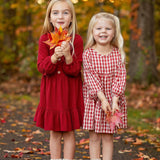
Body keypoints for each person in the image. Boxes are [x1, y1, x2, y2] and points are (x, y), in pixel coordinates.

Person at [34, 0, 84, 159]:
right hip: (52, 92)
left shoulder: (77, 40)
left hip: (70, 92)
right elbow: (42, 67)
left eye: (65, 12)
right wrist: (54, 57)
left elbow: (76, 71)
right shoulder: (44, 39)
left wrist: (68, 56)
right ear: (49, 17)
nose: (60, 16)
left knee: (69, 131)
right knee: (55, 132)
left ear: (71, 17)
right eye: (55, 13)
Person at [82, 12, 127, 160]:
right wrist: (102, 99)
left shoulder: (117, 53)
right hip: (95, 100)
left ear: (114, 32)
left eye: (108, 29)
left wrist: (114, 100)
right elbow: (90, 78)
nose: (103, 32)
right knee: (94, 137)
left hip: (113, 100)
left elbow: (120, 77)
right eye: (99, 28)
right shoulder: (88, 54)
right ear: (92, 32)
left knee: (108, 137)